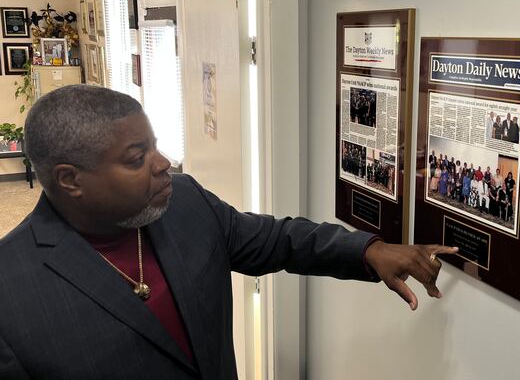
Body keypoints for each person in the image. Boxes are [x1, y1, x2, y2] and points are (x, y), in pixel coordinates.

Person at [0, 85, 457, 379]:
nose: (163, 164)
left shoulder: (184, 203)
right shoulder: (9, 291)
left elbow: (277, 240)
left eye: (155, 146)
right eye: (137, 158)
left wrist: (369, 251)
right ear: (70, 180)